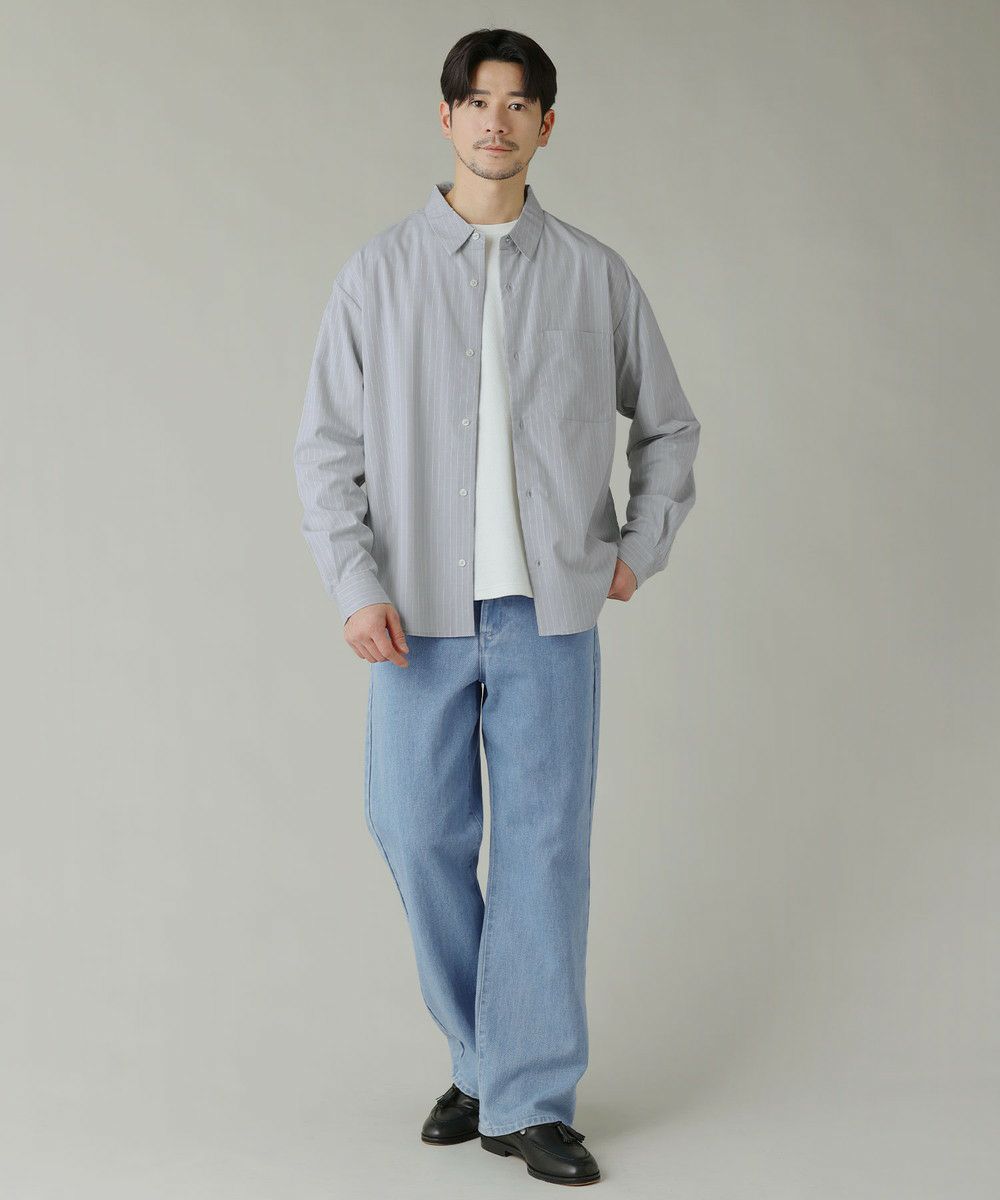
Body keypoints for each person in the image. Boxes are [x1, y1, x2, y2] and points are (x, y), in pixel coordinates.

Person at [293, 26, 700, 1188]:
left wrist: (637, 547)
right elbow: (324, 448)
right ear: (446, 117)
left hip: (549, 618)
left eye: (518, 104)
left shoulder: (593, 274)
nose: (495, 121)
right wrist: (353, 584)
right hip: (414, 614)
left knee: (543, 854)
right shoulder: (376, 274)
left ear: (545, 126)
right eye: (477, 101)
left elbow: (668, 425)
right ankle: (483, 1056)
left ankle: (527, 1098)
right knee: (413, 829)